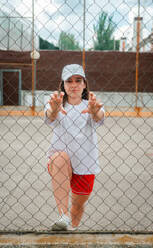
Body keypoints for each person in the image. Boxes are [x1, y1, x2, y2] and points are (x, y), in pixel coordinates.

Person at [44, 64, 105, 231]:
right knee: (61, 157)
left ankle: (72, 228)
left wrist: (94, 111)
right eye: (69, 81)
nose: (74, 84)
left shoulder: (92, 103)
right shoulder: (55, 101)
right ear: (63, 84)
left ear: (84, 84)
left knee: (78, 206)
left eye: (78, 80)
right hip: (59, 162)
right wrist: (54, 110)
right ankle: (63, 216)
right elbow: (50, 117)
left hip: (85, 164)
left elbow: (99, 118)